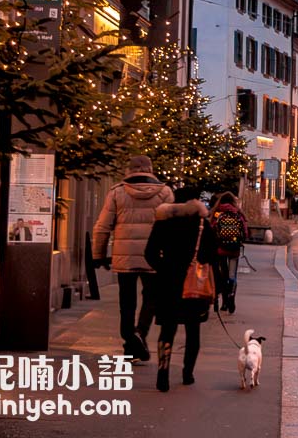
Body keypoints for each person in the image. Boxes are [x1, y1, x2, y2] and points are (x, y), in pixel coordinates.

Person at [92, 155, 173, 361]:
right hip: (154, 257)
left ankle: (129, 344)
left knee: (126, 302)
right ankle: (140, 332)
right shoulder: (164, 193)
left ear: (129, 170)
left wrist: (98, 255)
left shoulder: (117, 192)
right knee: (151, 298)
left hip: (124, 256)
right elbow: (172, 226)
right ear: (150, 169)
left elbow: (103, 226)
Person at [144, 187, 217, 392]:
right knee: (193, 331)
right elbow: (212, 253)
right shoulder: (201, 223)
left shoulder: (163, 221)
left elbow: (149, 252)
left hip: (168, 283)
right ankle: (187, 374)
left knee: (167, 329)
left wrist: (163, 267)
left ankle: (163, 373)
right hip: (193, 286)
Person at [209, 192, 247, 314]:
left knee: (222, 276)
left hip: (220, 249)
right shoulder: (238, 213)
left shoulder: (217, 212)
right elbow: (245, 232)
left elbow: (212, 229)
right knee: (232, 276)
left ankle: (224, 303)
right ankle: (231, 296)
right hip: (234, 249)